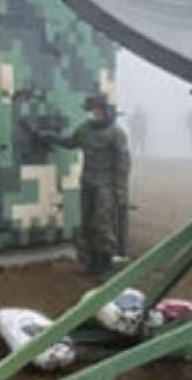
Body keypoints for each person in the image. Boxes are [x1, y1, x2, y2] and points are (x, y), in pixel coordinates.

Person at [42, 94, 130, 276]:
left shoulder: (116, 133)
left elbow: (123, 164)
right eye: (91, 111)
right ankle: (91, 263)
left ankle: (105, 264)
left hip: (106, 185)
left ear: (104, 110)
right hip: (88, 182)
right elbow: (71, 142)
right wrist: (52, 138)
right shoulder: (85, 130)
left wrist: (120, 190)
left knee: (103, 224)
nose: (93, 114)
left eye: (96, 110)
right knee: (87, 223)